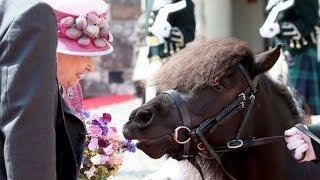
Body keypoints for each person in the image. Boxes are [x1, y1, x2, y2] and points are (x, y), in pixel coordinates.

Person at [0, 0, 112, 179]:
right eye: (86, 56)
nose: (91, 67)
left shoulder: (70, 89)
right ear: (56, 51)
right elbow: (27, 150)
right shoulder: (33, 16)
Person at [260, 0, 320, 115]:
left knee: (302, 105)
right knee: (281, 101)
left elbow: (309, 21)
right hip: (281, 55)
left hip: (301, 52)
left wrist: (279, 29)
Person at [137, 0, 196, 103]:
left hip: (172, 56)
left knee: (167, 97)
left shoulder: (184, 2)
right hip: (153, 54)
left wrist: (169, 32)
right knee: (149, 94)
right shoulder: (151, 2)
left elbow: (189, 33)